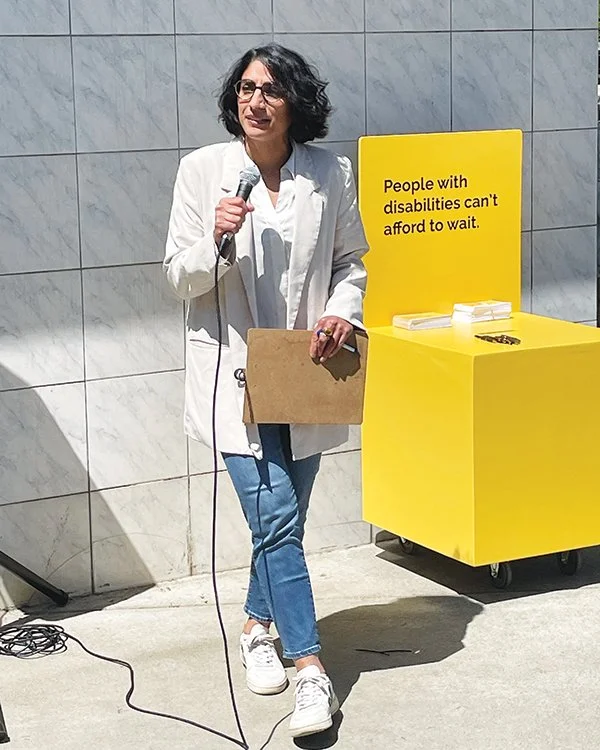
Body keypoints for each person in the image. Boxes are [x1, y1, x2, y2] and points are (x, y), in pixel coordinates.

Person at [163, 43, 368, 738]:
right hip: (233, 377)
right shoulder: (203, 173)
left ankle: (256, 626)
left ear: (295, 104)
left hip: (303, 373)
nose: (255, 101)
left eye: (272, 90)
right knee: (277, 518)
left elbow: (350, 263)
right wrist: (214, 242)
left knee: (285, 521)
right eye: (247, 88)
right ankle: (310, 669)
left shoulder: (330, 173)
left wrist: (342, 311)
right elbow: (177, 277)